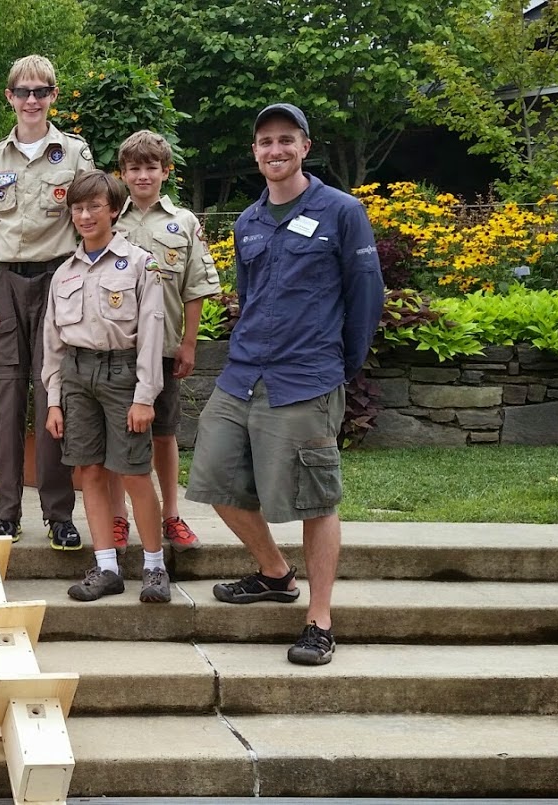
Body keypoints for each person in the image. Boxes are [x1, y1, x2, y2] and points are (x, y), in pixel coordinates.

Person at [185, 103, 384, 665]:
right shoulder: (248, 221)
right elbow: (248, 298)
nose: (275, 150)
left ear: (305, 146)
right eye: (265, 142)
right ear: (255, 152)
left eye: (285, 140)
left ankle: (319, 619)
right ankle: (274, 572)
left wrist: (339, 365)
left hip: (306, 379)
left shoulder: (341, 212)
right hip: (244, 373)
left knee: (316, 501)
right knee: (214, 480)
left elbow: (366, 295)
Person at [0, 55, 94, 550]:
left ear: (54, 96)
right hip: (3, 285)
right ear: (10, 98)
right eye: (23, 91)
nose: (32, 100)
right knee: (8, 399)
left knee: (54, 393)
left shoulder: (76, 155)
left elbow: (90, 220)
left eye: (41, 91)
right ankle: (8, 512)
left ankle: (59, 514)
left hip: (59, 281)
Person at [41, 171, 169, 603]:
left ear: (114, 210)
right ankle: (107, 566)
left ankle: (154, 566)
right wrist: (54, 401)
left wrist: (145, 396)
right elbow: (53, 342)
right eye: (77, 207)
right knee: (89, 472)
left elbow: (152, 332)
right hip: (77, 377)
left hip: (122, 375)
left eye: (94, 206)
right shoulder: (63, 273)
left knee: (133, 472)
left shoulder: (138, 263)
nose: (85, 215)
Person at [103, 130, 221, 554]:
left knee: (163, 433)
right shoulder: (111, 219)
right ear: (123, 173)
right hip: (117, 348)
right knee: (116, 436)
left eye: (151, 167)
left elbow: (195, 287)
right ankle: (118, 516)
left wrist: (189, 344)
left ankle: (172, 513)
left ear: (165, 172)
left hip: (165, 347)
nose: (142, 175)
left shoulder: (184, 222)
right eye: (134, 168)